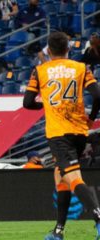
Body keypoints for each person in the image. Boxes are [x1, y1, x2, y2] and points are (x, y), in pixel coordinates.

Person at [23, 32, 100, 240]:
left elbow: (28, 102)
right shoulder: (81, 68)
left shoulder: (40, 71)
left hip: (59, 132)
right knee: (60, 175)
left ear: (49, 50)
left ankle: (99, 218)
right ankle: (58, 231)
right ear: (68, 48)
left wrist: (45, 104)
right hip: (79, 131)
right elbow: (97, 95)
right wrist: (91, 118)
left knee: (71, 177)